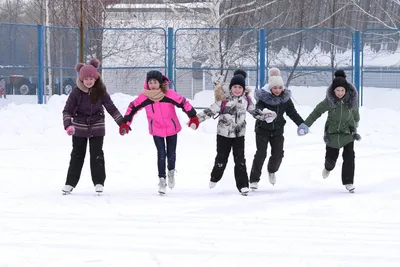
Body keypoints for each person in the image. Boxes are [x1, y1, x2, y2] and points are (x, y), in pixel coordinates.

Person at [195, 69, 276, 195]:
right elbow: (210, 111)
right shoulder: (223, 100)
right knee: (221, 159)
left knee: (240, 160)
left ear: (243, 89)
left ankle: (243, 185)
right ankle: (215, 177)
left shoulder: (246, 101)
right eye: (235, 87)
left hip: (239, 135)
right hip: (223, 135)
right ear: (231, 87)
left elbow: (255, 112)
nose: (237, 89)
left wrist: (266, 116)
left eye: (240, 87)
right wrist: (196, 120)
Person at [119, 70, 199, 195]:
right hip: (156, 129)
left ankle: (171, 172)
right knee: (161, 153)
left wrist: (193, 117)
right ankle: (162, 180)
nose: (152, 84)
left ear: (160, 82)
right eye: (150, 82)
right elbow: (132, 107)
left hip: (172, 128)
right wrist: (126, 123)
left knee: (171, 153)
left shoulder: (168, 94)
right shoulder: (145, 97)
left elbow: (184, 103)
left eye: (155, 82)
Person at [62, 58, 123, 194]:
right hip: (79, 127)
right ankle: (70, 183)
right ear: (81, 79)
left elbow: (110, 107)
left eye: (91, 78)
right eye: (86, 78)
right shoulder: (76, 92)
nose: (89, 81)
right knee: (77, 155)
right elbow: (67, 111)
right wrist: (68, 125)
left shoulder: (100, 90)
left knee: (97, 154)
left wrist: (122, 122)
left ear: (96, 78)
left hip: (97, 126)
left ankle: (99, 182)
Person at [297, 70, 361, 193]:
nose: (340, 93)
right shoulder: (329, 101)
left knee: (349, 156)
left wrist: (356, 122)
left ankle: (348, 182)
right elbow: (316, 112)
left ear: (346, 90)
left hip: (348, 132)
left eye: (342, 90)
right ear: (333, 90)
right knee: (331, 160)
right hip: (332, 133)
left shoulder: (351, 100)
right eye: (338, 90)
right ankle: (328, 168)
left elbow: (355, 112)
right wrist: (305, 125)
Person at [249, 67, 305, 189]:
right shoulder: (263, 98)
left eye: (280, 87)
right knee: (261, 154)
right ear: (270, 88)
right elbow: (258, 110)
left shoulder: (285, 99)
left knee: (278, 154)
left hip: (278, 130)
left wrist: (302, 124)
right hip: (262, 130)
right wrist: (264, 113)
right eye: (275, 88)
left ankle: (272, 170)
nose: (278, 90)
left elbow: (292, 113)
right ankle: (254, 180)